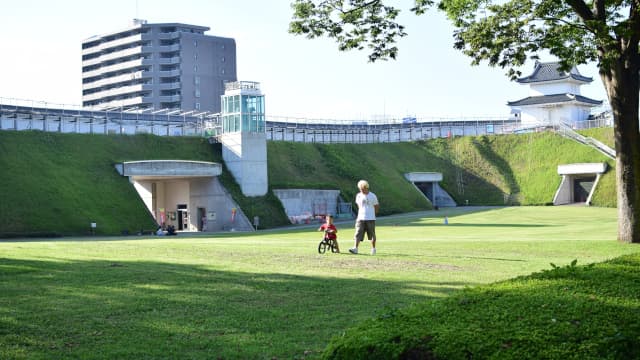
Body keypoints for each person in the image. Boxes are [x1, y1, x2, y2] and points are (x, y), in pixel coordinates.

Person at [349, 179, 379, 255]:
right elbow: (359, 206)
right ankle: (355, 248)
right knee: (358, 233)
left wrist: (373, 215)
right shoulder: (358, 196)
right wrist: (360, 214)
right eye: (360, 189)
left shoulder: (373, 196)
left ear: (366, 187)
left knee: (371, 234)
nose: (361, 190)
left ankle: (373, 249)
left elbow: (376, 206)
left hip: (370, 218)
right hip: (360, 218)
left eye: (363, 188)